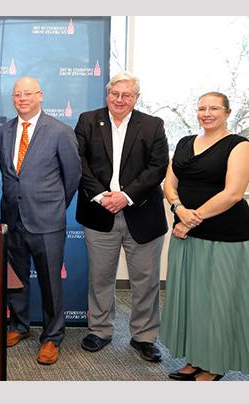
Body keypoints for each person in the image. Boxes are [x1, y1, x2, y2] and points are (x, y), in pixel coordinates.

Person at [74, 71, 168, 363]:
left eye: (126, 95)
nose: (119, 99)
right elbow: (79, 161)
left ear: (136, 98)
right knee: (100, 277)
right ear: (107, 94)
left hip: (142, 213)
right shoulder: (88, 120)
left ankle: (144, 336)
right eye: (115, 93)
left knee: (145, 280)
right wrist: (103, 196)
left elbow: (158, 167)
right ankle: (100, 330)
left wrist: (125, 197)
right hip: (98, 211)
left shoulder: (153, 125)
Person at [161, 92, 249, 381]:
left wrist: (190, 219)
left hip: (224, 237)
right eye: (201, 108)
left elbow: (233, 193)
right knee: (192, 301)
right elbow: (169, 183)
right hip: (185, 233)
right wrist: (178, 208)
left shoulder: (239, 146)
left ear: (227, 112)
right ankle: (195, 358)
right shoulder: (186, 143)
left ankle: (214, 363)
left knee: (217, 303)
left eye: (213, 108)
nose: (206, 113)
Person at [0, 77, 81, 365]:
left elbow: (72, 178)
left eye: (28, 94)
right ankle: (19, 325)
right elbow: (10, 176)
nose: (22, 99)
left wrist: (55, 205)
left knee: (50, 282)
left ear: (40, 96)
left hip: (46, 220)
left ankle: (52, 336)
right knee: (15, 278)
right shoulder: (4, 131)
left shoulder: (60, 131)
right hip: (12, 218)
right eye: (17, 94)